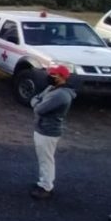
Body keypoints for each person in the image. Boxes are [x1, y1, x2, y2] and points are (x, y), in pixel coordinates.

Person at [28, 64, 76, 199]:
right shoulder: (52, 88)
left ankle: (46, 187)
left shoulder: (60, 95)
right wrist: (38, 101)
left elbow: (38, 108)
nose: (50, 76)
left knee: (46, 160)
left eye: (53, 74)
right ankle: (43, 182)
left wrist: (37, 102)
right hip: (43, 128)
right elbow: (37, 99)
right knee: (45, 159)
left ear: (61, 77)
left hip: (47, 131)